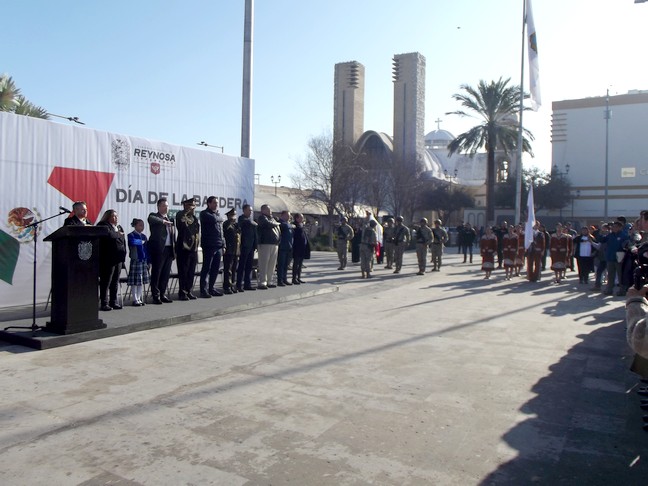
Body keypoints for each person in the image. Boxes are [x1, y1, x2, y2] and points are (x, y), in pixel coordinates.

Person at [96, 209, 127, 311]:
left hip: (118, 258)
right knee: (106, 281)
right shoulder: (103, 225)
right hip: (108, 259)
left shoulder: (119, 227)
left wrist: (124, 255)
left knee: (115, 281)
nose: (116, 218)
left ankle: (113, 301)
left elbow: (123, 242)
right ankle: (104, 303)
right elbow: (109, 235)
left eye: (117, 216)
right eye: (113, 216)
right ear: (108, 217)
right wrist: (118, 234)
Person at [148, 197, 176, 304]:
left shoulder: (170, 219)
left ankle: (162, 294)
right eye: (164, 206)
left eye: (167, 206)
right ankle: (155, 295)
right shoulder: (154, 216)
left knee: (165, 274)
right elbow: (151, 219)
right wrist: (163, 221)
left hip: (169, 249)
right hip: (159, 250)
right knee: (157, 273)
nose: (166, 208)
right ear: (158, 207)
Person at [199, 196, 225, 298]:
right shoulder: (204, 214)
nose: (216, 204)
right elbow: (215, 219)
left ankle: (211, 288)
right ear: (209, 203)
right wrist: (220, 218)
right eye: (214, 203)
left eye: (217, 203)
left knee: (215, 268)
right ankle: (203, 290)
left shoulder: (217, 215)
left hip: (218, 245)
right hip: (209, 245)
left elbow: (221, 232)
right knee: (207, 268)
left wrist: (223, 244)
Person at [175, 197, 200, 301]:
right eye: (191, 205)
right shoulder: (181, 215)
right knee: (183, 271)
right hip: (184, 247)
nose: (193, 208)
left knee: (191, 271)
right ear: (186, 206)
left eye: (194, 206)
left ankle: (188, 290)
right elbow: (181, 225)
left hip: (193, 248)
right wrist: (187, 211)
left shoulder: (194, 218)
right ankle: (182, 293)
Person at [601, 221, 629, 296]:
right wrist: (602, 233)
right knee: (610, 275)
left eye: (616, 227)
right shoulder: (610, 235)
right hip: (610, 257)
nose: (614, 228)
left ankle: (622, 290)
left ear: (620, 227)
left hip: (619, 257)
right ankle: (609, 289)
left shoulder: (624, 235)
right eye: (613, 227)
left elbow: (627, 246)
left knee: (620, 275)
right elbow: (602, 240)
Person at [257, 204, 280, 289]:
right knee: (264, 263)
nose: (270, 211)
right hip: (265, 243)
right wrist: (277, 223)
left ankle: (270, 281)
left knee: (272, 264)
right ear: (263, 210)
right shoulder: (262, 218)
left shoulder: (272, 219)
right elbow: (268, 224)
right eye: (268, 210)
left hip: (274, 243)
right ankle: (262, 282)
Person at [127, 218, 150, 306]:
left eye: (143, 225)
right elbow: (132, 242)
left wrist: (148, 261)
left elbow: (147, 249)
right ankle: (135, 299)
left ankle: (139, 298)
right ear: (135, 226)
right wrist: (141, 241)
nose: (142, 227)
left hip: (143, 260)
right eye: (140, 225)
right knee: (135, 281)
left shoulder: (144, 236)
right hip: (136, 260)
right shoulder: (131, 235)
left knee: (141, 281)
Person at [236, 204, 257, 292]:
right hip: (244, 246)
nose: (251, 212)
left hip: (251, 246)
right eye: (249, 210)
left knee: (249, 266)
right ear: (244, 210)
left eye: (251, 210)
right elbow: (247, 223)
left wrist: (255, 245)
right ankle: (239, 285)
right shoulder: (242, 219)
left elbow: (255, 234)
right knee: (242, 266)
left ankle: (247, 284)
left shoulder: (251, 220)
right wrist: (254, 223)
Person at [222, 208, 240, 294]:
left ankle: (232, 285)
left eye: (235, 215)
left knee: (234, 268)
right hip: (229, 249)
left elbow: (239, 232)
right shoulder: (226, 224)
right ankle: (227, 286)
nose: (234, 217)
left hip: (235, 249)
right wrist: (231, 222)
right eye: (232, 215)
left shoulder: (235, 225)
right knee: (228, 269)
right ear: (229, 216)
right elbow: (226, 232)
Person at [292, 212, 310, 284]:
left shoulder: (301, 225)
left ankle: (298, 277)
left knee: (300, 264)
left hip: (303, 247)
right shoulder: (294, 225)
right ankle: (294, 278)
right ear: (297, 218)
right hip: (297, 247)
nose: (302, 219)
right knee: (296, 264)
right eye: (301, 217)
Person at [277, 210, 294, 286]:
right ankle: (280, 280)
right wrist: (291, 225)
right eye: (287, 215)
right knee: (281, 264)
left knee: (286, 265)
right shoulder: (280, 223)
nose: (289, 217)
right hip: (282, 246)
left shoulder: (288, 224)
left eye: (289, 215)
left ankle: (284, 279)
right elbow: (283, 228)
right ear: (282, 215)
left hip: (289, 246)